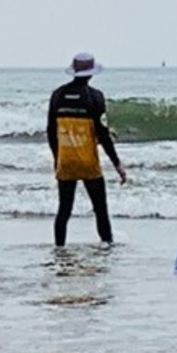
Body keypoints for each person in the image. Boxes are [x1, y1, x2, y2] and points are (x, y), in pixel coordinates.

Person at [47, 53, 128, 247]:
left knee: (64, 210)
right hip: (88, 161)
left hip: (65, 161)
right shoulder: (95, 97)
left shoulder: (57, 95)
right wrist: (117, 164)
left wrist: (57, 158)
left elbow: (51, 131)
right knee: (100, 208)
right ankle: (107, 245)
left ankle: (59, 248)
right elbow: (103, 134)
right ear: (91, 73)